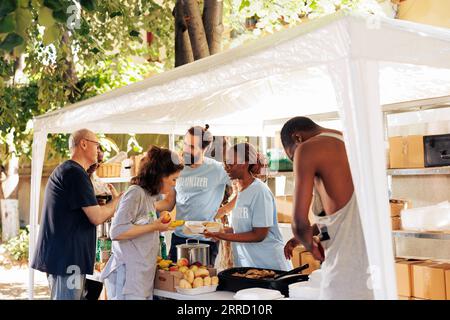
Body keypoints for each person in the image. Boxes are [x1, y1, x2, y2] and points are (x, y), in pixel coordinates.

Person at [280, 116, 373, 300]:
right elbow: (344, 218)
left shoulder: (308, 149)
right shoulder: (351, 144)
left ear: (297, 137)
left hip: (345, 280)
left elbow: (298, 223)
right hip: (376, 277)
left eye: (292, 156)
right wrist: (309, 233)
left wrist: (309, 244)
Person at [31, 129, 121, 300]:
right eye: (97, 145)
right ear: (84, 144)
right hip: (67, 259)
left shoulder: (71, 171)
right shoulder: (75, 173)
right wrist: (118, 201)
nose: (99, 150)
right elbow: (96, 217)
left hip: (66, 258)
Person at [100, 146, 184, 300]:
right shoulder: (135, 193)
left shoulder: (149, 196)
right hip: (128, 278)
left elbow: (142, 226)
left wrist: (158, 224)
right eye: (173, 179)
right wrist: (155, 226)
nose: (174, 185)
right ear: (160, 176)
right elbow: (116, 232)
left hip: (141, 278)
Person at [204, 143, 291, 271]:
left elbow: (259, 235)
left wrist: (221, 236)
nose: (226, 168)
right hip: (251, 266)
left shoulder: (260, 191)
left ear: (244, 163)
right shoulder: (241, 192)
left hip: (270, 266)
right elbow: (241, 229)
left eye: (230, 164)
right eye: (225, 164)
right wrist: (218, 230)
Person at [168, 125, 234, 265]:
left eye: (191, 147)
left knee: (203, 283)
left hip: (206, 240)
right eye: (185, 144)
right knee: (173, 283)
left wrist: (224, 210)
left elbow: (244, 187)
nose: (186, 150)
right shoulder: (178, 169)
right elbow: (169, 202)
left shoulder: (218, 169)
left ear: (205, 149)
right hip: (179, 239)